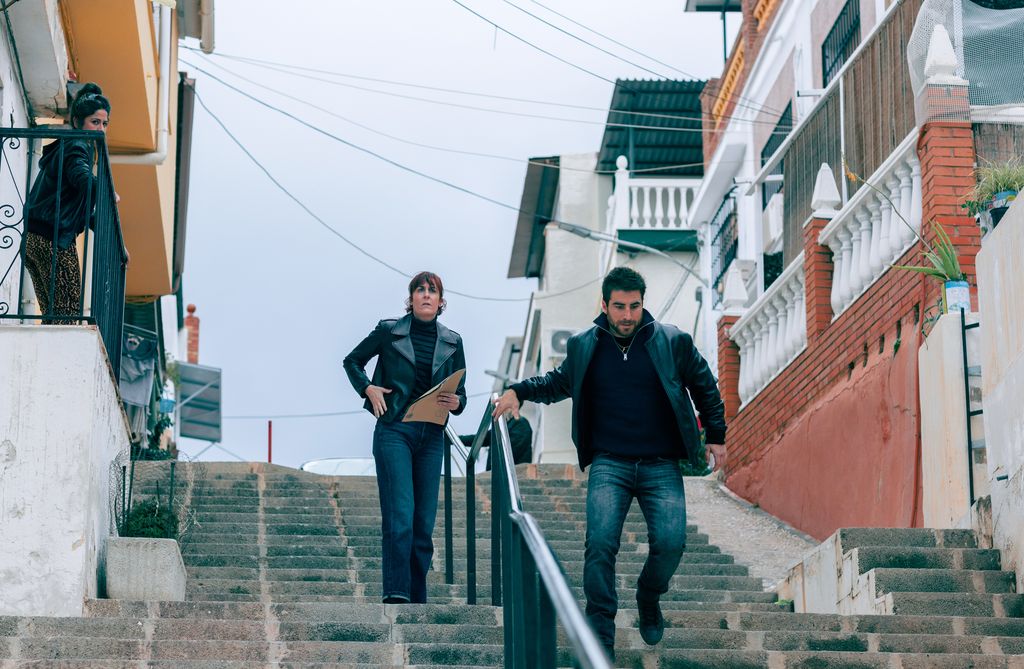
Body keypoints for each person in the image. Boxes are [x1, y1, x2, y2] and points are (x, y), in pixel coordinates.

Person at [492, 267, 726, 662]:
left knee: (671, 543)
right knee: (599, 546)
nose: (628, 315)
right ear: (604, 304)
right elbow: (556, 382)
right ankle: (600, 632)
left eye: (635, 306)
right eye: (619, 306)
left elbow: (704, 384)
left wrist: (716, 435)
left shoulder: (672, 341)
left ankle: (649, 596)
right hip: (609, 464)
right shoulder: (585, 345)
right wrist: (519, 390)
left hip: (660, 463)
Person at [343, 271, 467, 604]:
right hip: (394, 430)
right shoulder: (389, 331)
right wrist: (367, 388)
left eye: (433, 291)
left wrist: (458, 403)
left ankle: (417, 597)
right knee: (401, 515)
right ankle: (397, 593)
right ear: (411, 299)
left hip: (431, 436)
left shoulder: (453, 341)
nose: (426, 295)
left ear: (441, 302)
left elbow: (461, 394)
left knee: (423, 523)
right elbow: (352, 360)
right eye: (420, 290)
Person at [24, 83, 116, 320]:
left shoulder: (66, 146)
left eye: (104, 124)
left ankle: (47, 356)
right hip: (52, 240)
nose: (101, 130)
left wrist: (116, 243)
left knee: (54, 316)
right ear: (78, 122)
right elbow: (81, 177)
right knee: (67, 315)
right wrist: (106, 191)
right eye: (95, 122)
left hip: (34, 239)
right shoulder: (77, 146)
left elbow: (81, 209)